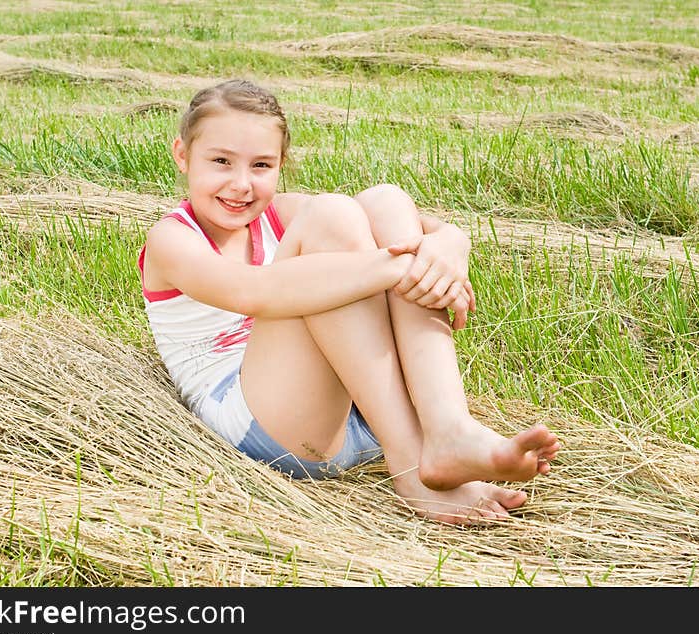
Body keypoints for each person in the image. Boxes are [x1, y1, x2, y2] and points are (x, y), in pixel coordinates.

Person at [138, 79, 560, 525]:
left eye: (261, 165)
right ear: (182, 155)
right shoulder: (171, 240)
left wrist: (453, 244)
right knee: (332, 216)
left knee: (386, 200)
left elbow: (430, 232)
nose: (241, 184)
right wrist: (400, 267)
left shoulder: (278, 213)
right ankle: (413, 466)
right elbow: (253, 293)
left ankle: (447, 428)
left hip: (361, 417)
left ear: (282, 165)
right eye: (221, 161)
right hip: (267, 425)